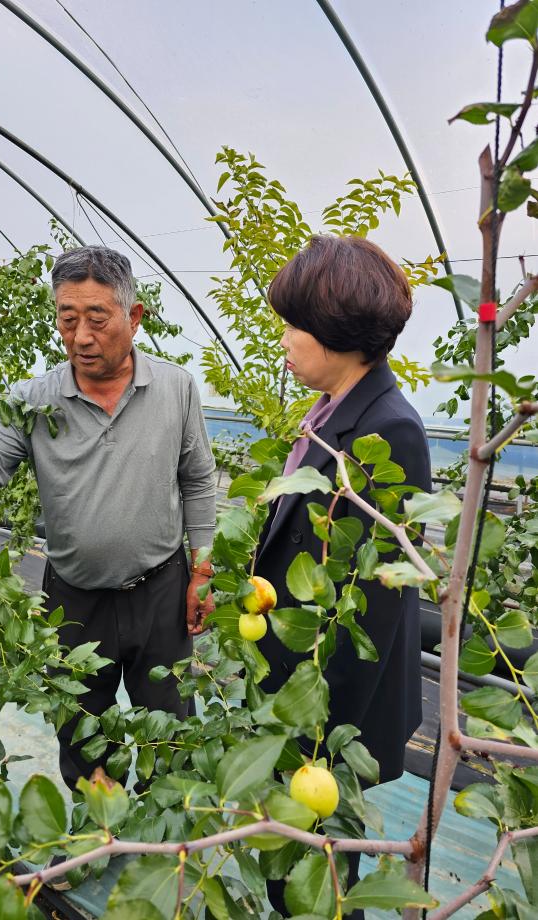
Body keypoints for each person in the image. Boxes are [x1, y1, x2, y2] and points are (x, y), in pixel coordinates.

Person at [0, 246, 217, 792]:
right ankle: (98, 832)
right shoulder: (36, 400)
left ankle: (167, 842)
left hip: (161, 591)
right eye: (68, 319)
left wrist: (202, 570)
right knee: (83, 731)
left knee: (168, 728)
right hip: (75, 600)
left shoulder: (176, 389)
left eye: (97, 319)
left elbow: (200, 480)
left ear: (133, 318)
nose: (81, 336)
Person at [255, 235, 431, 915]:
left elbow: (373, 610)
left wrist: (320, 746)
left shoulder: (387, 433)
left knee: (317, 877)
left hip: (326, 716)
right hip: (294, 695)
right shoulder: (333, 415)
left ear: (335, 332)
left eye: (294, 326)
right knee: (296, 869)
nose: (285, 341)